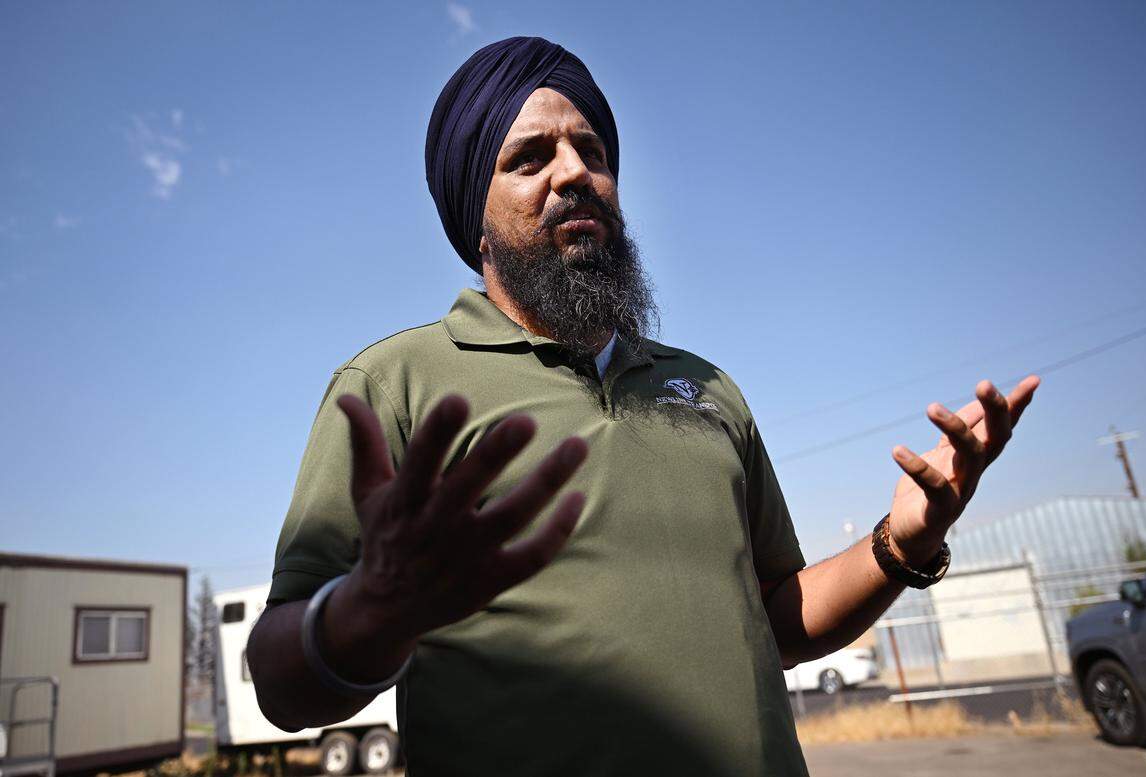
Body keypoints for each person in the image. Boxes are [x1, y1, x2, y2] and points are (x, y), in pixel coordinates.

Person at [247, 36, 1039, 776]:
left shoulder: (708, 387)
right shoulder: (396, 384)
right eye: (529, 158)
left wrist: (903, 541)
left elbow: (782, 621)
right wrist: (367, 614)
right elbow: (282, 687)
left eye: (591, 151)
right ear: (473, 221)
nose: (574, 173)